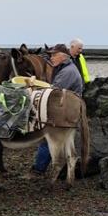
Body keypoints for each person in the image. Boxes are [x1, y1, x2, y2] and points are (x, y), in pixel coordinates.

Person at [31, 44, 85, 175]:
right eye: (50, 55)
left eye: (54, 55)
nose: (51, 58)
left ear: (63, 56)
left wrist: (33, 89)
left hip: (64, 111)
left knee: (47, 138)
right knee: (61, 142)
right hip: (66, 109)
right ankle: (64, 172)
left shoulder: (67, 72)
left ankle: (39, 169)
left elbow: (54, 92)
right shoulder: (67, 68)